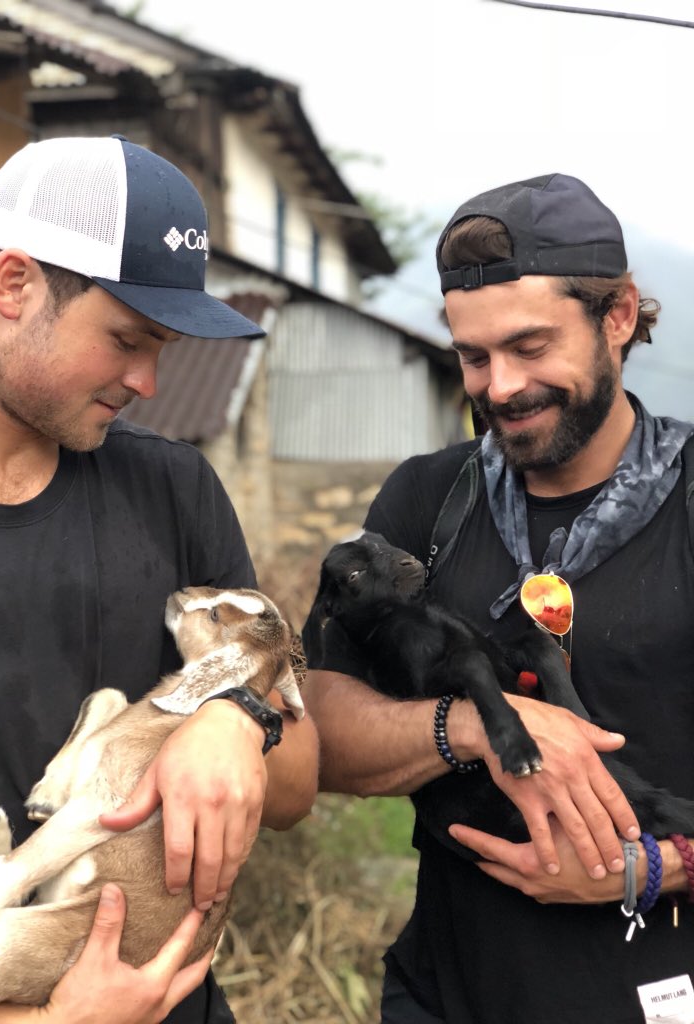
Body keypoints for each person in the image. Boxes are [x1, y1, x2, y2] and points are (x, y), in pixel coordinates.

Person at [0, 135, 318, 1024]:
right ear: (14, 285)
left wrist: (234, 713)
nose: (147, 381)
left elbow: (295, 789)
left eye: (162, 348)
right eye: (126, 340)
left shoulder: (171, 488)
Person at [303, 173, 694, 1024]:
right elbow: (317, 732)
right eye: (474, 357)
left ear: (619, 316)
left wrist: (657, 868)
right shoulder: (426, 501)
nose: (501, 386)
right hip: (447, 997)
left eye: (530, 346)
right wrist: (474, 724)